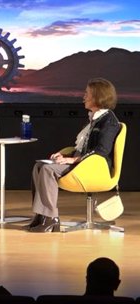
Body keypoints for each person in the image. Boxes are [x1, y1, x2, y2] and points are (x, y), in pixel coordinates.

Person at [27, 78, 120, 232]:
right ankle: (41, 215)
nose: (83, 97)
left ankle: (52, 218)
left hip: (93, 167)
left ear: (98, 97)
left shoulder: (108, 121)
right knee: (39, 166)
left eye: (87, 94)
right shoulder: (94, 119)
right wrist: (63, 154)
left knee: (48, 170)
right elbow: (82, 147)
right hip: (82, 162)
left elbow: (101, 151)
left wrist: (72, 159)